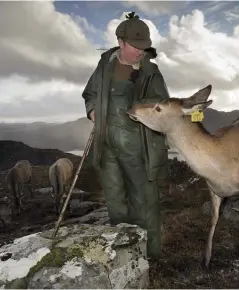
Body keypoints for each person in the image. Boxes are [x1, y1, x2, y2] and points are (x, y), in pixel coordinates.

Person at [81, 12, 169, 261]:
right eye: (135, 46)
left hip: (139, 149)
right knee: (116, 205)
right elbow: (89, 93)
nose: (140, 51)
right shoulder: (105, 65)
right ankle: (126, 257)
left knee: (144, 206)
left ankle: (151, 259)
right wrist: (92, 111)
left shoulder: (150, 73)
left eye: (144, 46)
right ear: (120, 42)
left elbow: (161, 106)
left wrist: (140, 103)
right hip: (107, 147)